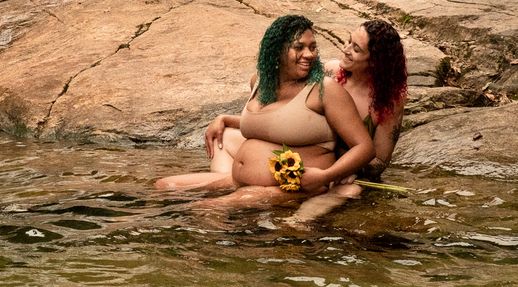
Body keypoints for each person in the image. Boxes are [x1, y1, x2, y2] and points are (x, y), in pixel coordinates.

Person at [156, 14, 373, 200]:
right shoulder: (260, 83)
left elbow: (365, 147)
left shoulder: (325, 90)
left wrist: (327, 177)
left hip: (297, 188)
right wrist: (224, 119)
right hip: (239, 180)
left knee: (207, 208)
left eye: (313, 47)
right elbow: (278, 124)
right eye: (299, 47)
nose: (309, 54)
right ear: (276, 52)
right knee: (164, 187)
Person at [286, 19, 408, 223]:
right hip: (307, 154)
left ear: (375, 62)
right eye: (348, 41)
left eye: (356, 49)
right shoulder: (329, 72)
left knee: (350, 190)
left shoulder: (388, 101)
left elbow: (379, 162)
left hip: (343, 176)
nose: (346, 49)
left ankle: (297, 222)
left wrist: (348, 168)